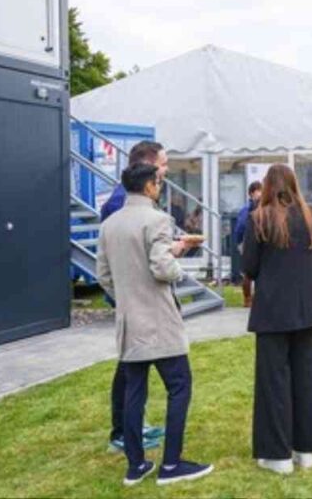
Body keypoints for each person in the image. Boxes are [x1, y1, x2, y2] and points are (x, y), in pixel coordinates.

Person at [96, 163, 213, 486]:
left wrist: (127, 297)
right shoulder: (157, 219)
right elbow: (162, 268)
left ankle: (136, 465)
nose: (160, 187)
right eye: (159, 182)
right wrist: (179, 265)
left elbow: (103, 275)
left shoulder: (109, 225)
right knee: (180, 386)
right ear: (149, 186)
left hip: (129, 320)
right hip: (158, 319)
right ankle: (171, 464)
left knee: (134, 392)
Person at [242, 164, 312, 475]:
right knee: (307, 377)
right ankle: (306, 450)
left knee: (273, 381)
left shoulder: (259, 218)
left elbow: (249, 267)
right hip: (307, 307)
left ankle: (277, 455)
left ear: (267, 185)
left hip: (273, 309)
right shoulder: (311, 215)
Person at [100, 141, 172, 455]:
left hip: (138, 298)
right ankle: (122, 430)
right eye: (163, 165)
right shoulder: (121, 205)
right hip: (136, 301)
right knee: (130, 369)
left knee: (135, 367)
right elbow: (120, 260)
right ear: (148, 166)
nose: (166, 172)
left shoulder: (137, 202)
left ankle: (133, 425)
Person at [234, 181, 263, 308]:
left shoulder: (258, 207)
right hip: (248, 241)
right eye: (258, 191)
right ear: (251, 193)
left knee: (256, 270)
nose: (260, 194)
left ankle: (255, 297)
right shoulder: (247, 209)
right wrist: (240, 243)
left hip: (255, 242)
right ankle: (247, 298)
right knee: (248, 272)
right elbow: (240, 227)